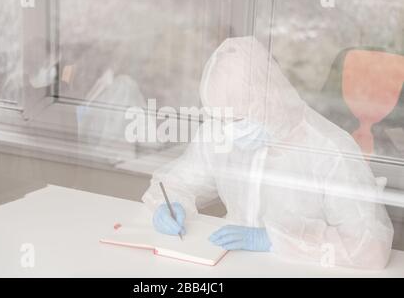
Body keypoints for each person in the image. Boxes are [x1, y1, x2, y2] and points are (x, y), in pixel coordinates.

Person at [142, 36, 394, 269]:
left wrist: (274, 239)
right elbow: (177, 183)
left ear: (268, 98)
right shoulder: (220, 131)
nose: (227, 128)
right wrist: (168, 205)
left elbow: (371, 247)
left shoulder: (329, 149)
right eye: (219, 117)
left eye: (236, 118)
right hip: (231, 265)